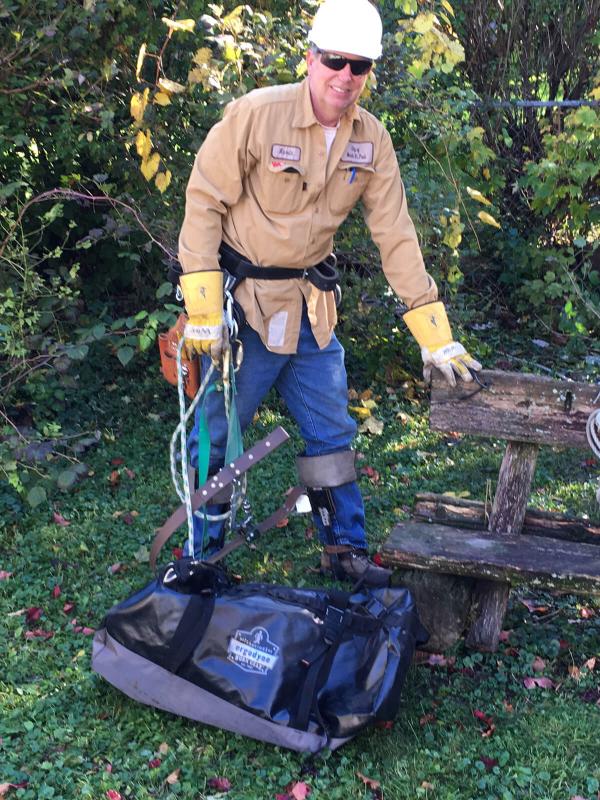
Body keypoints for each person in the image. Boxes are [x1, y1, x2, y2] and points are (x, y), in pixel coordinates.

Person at [177, 0, 481, 587]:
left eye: (359, 65)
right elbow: (203, 200)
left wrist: (433, 333)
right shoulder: (256, 116)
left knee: (331, 432)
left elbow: (395, 233)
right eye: (335, 61)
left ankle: (345, 549)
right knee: (216, 434)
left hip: (312, 314)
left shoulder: (372, 140)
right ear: (311, 57)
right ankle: (201, 557)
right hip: (244, 313)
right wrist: (204, 311)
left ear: (370, 71)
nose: (345, 77)